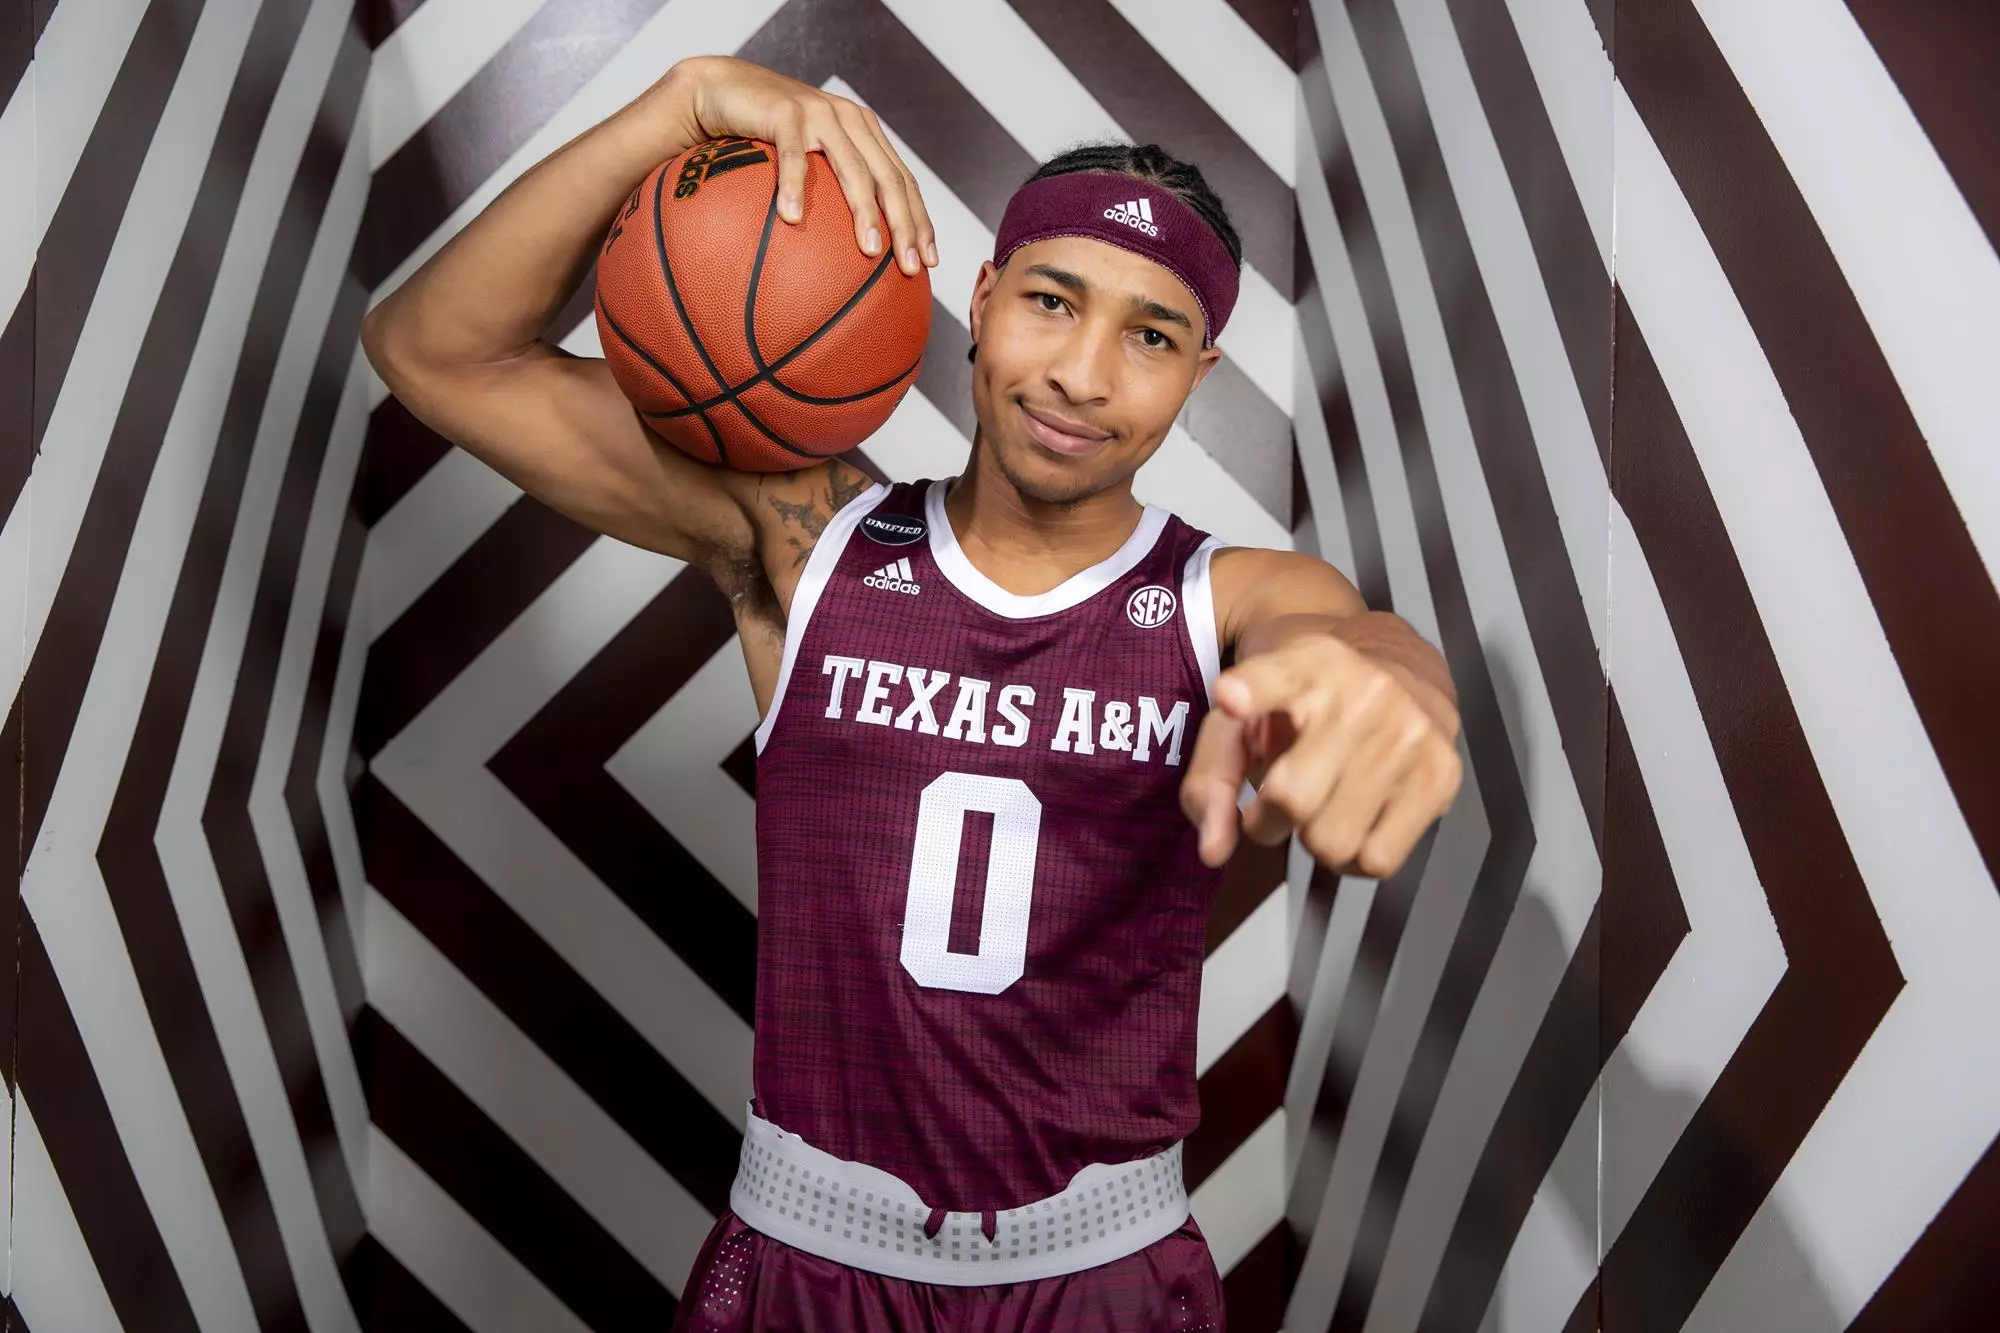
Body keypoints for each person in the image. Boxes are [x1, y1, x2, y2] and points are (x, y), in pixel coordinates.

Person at [363, 54, 1461, 1333]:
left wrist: (1384, 678)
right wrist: (684, 105)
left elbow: (1339, 636)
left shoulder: (1224, 601)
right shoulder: (806, 540)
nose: (1082, 374)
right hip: (808, 1253)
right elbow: (435, 350)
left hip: (1100, 1270)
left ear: (1196, 374)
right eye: (1051, 301)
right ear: (982, 300)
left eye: (1149, 336)